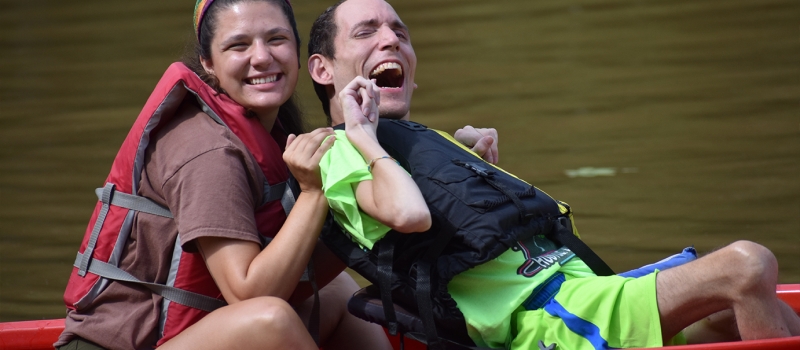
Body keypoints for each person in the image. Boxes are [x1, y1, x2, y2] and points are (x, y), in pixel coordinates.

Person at [305, 0, 800, 349]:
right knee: (747, 266)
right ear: (324, 70)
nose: (391, 38)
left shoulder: (418, 141)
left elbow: (481, 235)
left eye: (400, 31)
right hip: (546, 321)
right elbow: (409, 215)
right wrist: (363, 135)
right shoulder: (343, 152)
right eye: (367, 31)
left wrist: (476, 166)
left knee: (730, 315)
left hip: (585, 290)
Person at [56, 0, 392, 349]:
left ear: (296, 48)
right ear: (208, 63)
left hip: (188, 334)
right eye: (238, 45)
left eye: (276, 39)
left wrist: (371, 214)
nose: (261, 57)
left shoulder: (268, 130)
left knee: (338, 292)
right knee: (270, 321)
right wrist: (313, 193)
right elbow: (249, 294)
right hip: (119, 346)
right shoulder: (209, 149)